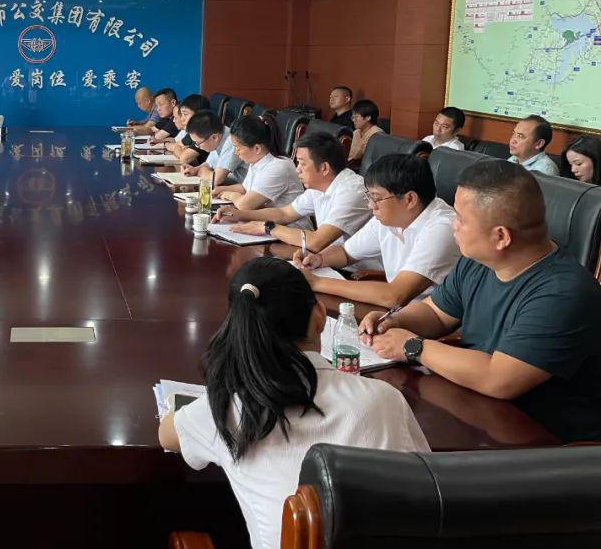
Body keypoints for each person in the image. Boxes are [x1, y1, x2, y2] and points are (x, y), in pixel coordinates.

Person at [158, 258, 428, 549]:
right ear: (320, 316)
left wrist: (220, 393)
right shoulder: (385, 400)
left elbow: (167, 435)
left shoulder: (227, 409)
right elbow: (428, 494)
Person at [360, 159, 601, 442]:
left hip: (541, 442)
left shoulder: (564, 292)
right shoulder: (479, 261)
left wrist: (412, 346)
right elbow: (437, 314)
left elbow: (498, 378)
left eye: (461, 219)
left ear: (501, 236)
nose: (453, 225)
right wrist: (394, 320)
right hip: (475, 407)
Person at [298, 154, 459, 308]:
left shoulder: (442, 229)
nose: (370, 205)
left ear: (410, 199)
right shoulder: (390, 217)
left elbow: (395, 295)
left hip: (428, 320)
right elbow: (346, 253)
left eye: (376, 198)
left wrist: (317, 282)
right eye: (370, 197)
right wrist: (318, 259)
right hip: (397, 312)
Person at [216, 131, 370, 252]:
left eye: (302, 164)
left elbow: (317, 241)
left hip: (356, 273)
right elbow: (284, 214)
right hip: (325, 259)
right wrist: (239, 214)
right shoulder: (319, 185)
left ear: (324, 168)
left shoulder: (351, 191)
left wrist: (267, 227)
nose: (297, 170)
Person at [216, 114, 305, 215]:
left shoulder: (278, 167)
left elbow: (245, 205)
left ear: (257, 148)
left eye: (238, 148)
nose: (236, 152)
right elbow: (245, 188)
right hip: (262, 220)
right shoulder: (256, 161)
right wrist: (220, 190)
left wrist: (229, 194)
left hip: (288, 224)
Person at [183, 110, 244, 187]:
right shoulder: (219, 135)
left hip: (247, 190)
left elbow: (216, 180)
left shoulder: (232, 141)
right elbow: (209, 165)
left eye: (198, 143)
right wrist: (195, 169)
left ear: (214, 137)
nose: (198, 146)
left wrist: (201, 171)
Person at [164, 93, 211, 166]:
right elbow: (177, 145)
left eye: (185, 114)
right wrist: (178, 148)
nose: (182, 119)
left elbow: (184, 159)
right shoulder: (192, 131)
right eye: (181, 114)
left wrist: (178, 148)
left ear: (199, 115)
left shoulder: (204, 132)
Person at [347, 99, 384, 166]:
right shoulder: (356, 132)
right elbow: (351, 155)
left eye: (356, 117)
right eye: (352, 117)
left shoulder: (377, 134)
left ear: (368, 117)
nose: (353, 120)